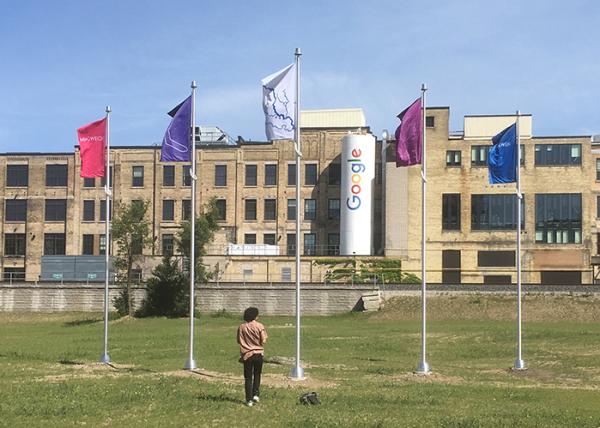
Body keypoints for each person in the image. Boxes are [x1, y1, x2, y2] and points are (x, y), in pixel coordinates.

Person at [237, 307, 268, 407]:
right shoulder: (259, 326)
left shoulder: (242, 327)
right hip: (258, 354)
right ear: (255, 316)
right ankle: (256, 394)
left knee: (248, 377)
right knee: (257, 374)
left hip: (247, 354)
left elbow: (238, 340)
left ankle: (248, 399)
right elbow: (263, 340)